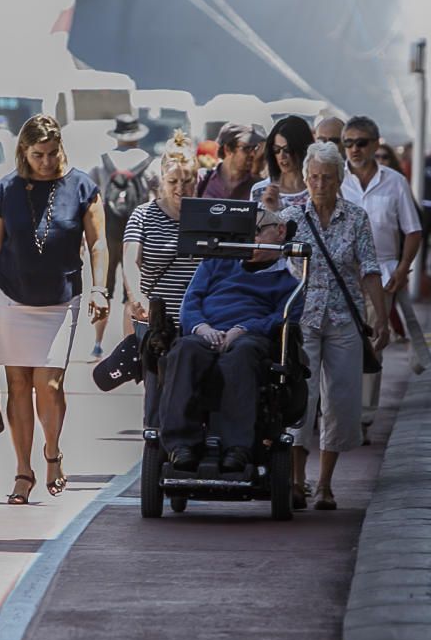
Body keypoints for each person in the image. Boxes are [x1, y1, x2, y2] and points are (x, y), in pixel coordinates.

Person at [0, 114, 108, 505]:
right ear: (24, 151)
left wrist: (100, 289)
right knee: (17, 385)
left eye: (53, 153)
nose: (47, 162)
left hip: (60, 296)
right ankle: (23, 470)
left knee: (48, 385)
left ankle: (52, 452)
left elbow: (97, 243)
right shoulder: (5, 190)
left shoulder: (83, 187)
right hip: (12, 295)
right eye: (38, 155)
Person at [282, 142, 388, 510]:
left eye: (327, 178)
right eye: (313, 177)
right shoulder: (292, 215)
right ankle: (297, 482)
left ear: (340, 179)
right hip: (304, 318)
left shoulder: (355, 218)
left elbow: (370, 270)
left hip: (345, 319)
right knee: (301, 400)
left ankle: (325, 484)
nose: (320, 184)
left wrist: (382, 320)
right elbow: (269, 257)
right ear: (305, 178)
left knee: (341, 403)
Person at [159, 209, 304, 473]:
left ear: (279, 231)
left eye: (257, 231)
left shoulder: (287, 282)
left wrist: (242, 329)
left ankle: (236, 447)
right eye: (244, 232)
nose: (250, 238)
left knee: (242, 354)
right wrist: (202, 328)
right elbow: (191, 302)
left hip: (250, 338)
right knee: (184, 350)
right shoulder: (216, 263)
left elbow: (282, 317)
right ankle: (181, 445)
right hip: (207, 331)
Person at [339, 116, 421, 441]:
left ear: (375, 144)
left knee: (373, 345)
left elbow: (413, 230)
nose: (354, 149)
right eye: (348, 143)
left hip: (383, 275)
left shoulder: (394, 182)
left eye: (361, 143)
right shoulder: (335, 180)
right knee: (341, 345)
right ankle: (337, 412)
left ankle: (362, 418)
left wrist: (402, 271)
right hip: (342, 275)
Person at [121, 131, 202, 425]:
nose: (181, 188)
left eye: (188, 181)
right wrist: (136, 297)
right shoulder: (143, 216)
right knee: (157, 392)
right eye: (173, 182)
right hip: (158, 320)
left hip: (198, 320)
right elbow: (130, 260)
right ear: (162, 181)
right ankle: (156, 448)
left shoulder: (209, 215)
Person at [87, 113, 151, 361]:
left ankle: (97, 343)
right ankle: (128, 345)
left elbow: (93, 195)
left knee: (104, 287)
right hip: (137, 231)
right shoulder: (147, 161)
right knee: (130, 288)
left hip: (108, 230)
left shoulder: (102, 162)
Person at [250, 115, 315, 211]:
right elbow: (254, 225)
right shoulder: (260, 190)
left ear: (302, 149)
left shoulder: (317, 188)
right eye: (276, 149)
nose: (282, 155)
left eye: (287, 149)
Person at [197, 122, 264, 200]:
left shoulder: (258, 187)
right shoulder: (202, 179)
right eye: (247, 148)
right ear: (227, 149)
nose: (253, 154)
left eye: (255, 148)